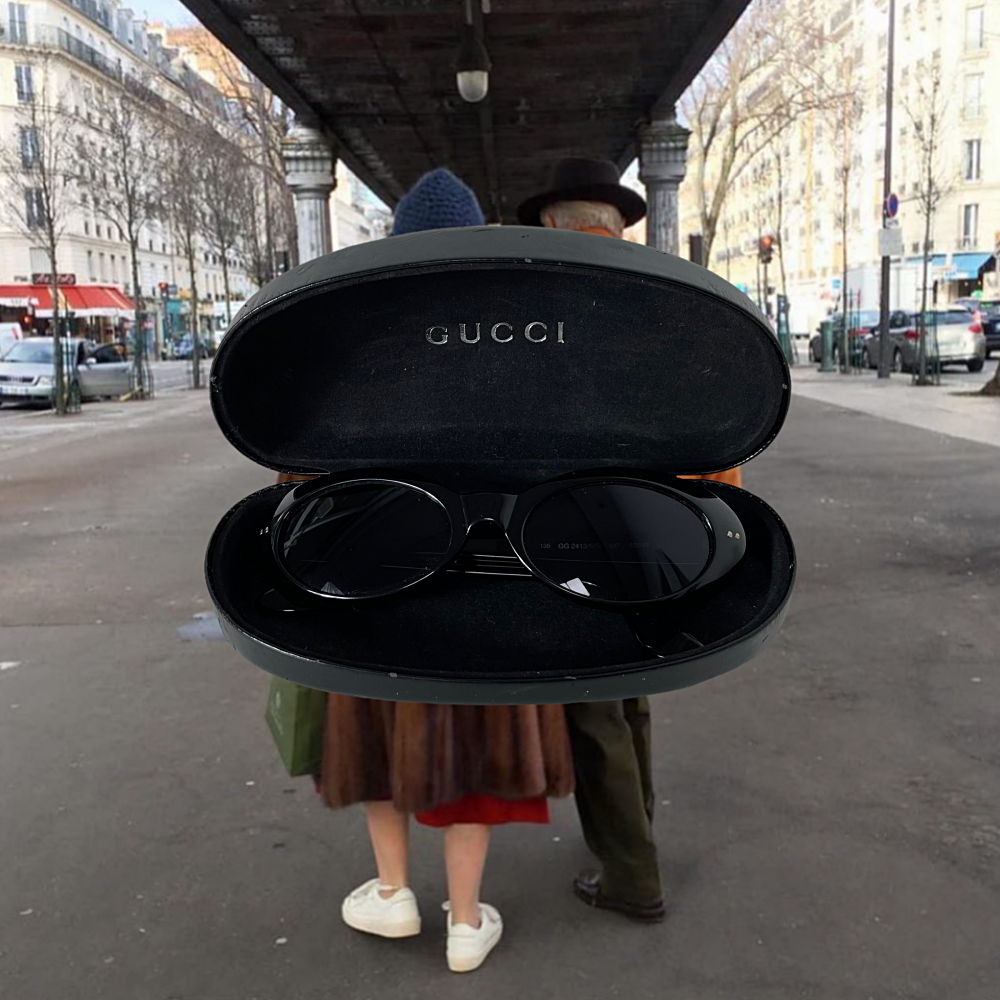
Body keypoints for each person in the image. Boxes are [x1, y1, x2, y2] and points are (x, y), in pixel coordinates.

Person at [275, 167, 575, 974]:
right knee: (474, 747)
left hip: (370, 591)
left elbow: (295, 485)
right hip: (488, 593)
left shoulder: (353, 359)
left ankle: (393, 892)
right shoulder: (516, 361)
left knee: (377, 740)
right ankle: (467, 922)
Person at [517, 157, 745, 923]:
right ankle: (635, 831)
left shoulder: (550, 305)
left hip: (582, 525)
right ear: (616, 224)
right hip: (669, 522)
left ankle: (630, 874)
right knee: (631, 691)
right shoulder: (669, 296)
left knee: (592, 705)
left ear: (553, 225)